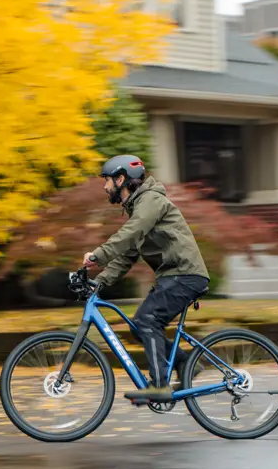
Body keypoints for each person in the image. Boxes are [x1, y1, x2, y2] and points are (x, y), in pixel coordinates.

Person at [83, 154, 210, 404]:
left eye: (107, 180)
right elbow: (127, 256)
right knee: (138, 326)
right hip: (174, 276)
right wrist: (99, 282)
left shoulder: (150, 201)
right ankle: (185, 364)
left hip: (185, 274)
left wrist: (98, 255)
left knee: (147, 319)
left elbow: (131, 233)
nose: (104, 186)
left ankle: (160, 386)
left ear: (121, 179)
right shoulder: (139, 208)